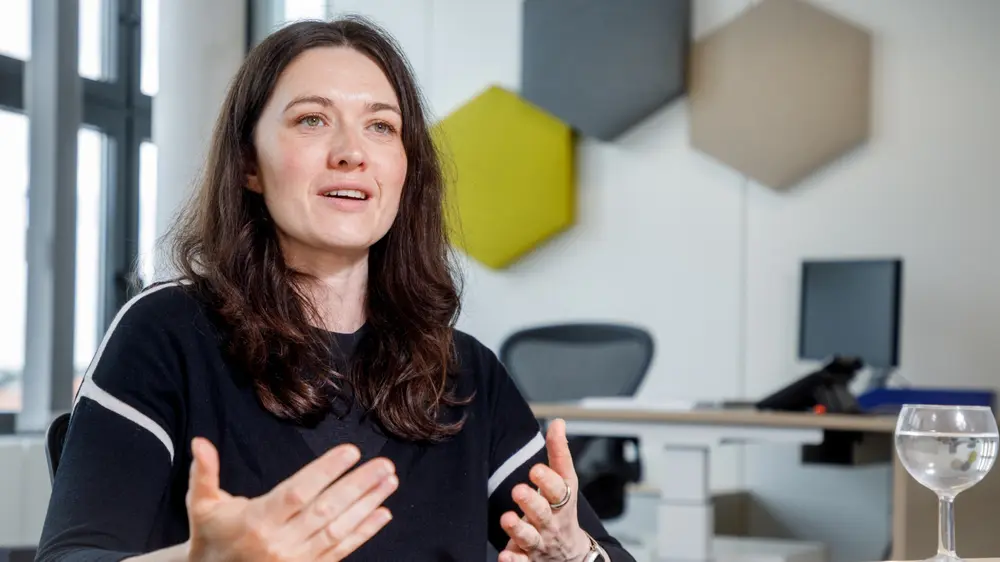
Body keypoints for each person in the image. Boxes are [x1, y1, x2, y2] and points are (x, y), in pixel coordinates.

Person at [34, 15, 636, 562]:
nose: (351, 153)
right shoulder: (166, 332)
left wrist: (575, 553)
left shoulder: (463, 372)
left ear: (405, 169)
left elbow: (603, 553)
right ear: (249, 163)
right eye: (312, 120)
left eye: (381, 126)